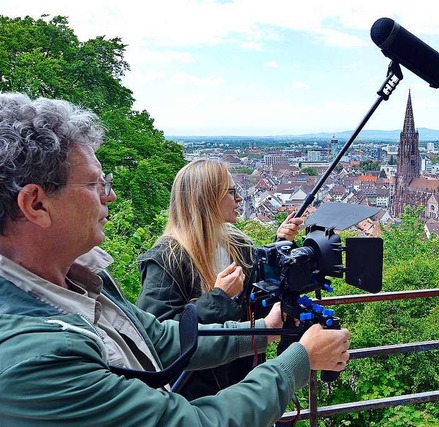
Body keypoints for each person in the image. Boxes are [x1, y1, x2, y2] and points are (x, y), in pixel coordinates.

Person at [0, 92, 350, 426]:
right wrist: (298, 362)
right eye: (95, 184)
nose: (111, 195)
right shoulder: (37, 355)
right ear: (36, 204)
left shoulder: (82, 282)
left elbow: (161, 338)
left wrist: (264, 330)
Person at [136, 159, 304, 399]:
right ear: (208, 197)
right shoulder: (167, 257)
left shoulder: (238, 244)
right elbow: (156, 336)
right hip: (196, 394)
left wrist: (280, 244)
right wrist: (218, 297)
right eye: (232, 191)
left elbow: (260, 292)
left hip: (244, 379)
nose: (239, 199)